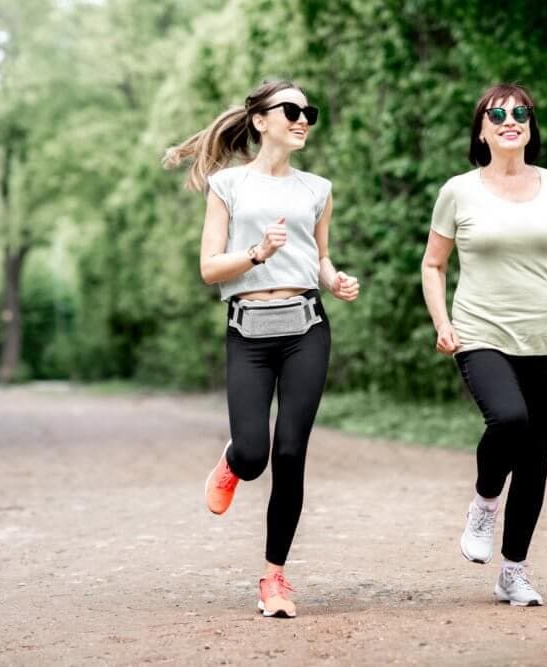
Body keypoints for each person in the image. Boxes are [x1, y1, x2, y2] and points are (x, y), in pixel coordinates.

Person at [163, 80, 360, 618]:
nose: (302, 119)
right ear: (260, 121)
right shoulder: (227, 186)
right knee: (255, 455)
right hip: (248, 331)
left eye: (309, 111)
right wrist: (256, 253)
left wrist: (335, 278)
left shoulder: (317, 188)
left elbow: (319, 258)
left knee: (290, 453)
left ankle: (274, 578)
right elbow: (209, 268)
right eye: (291, 110)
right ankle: (232, 461)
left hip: (305, 328)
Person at [420, 83, 547, 606]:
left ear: (530, 126)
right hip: (480, 331)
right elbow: (433, 265)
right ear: (482, 130)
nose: (509, 119)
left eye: (520, 112)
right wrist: (443, 321)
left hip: (546, 335)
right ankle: (484, 502)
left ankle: (513, 571)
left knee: (536, 457)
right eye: (497, 113)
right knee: (509, 421)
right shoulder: (458, 190)